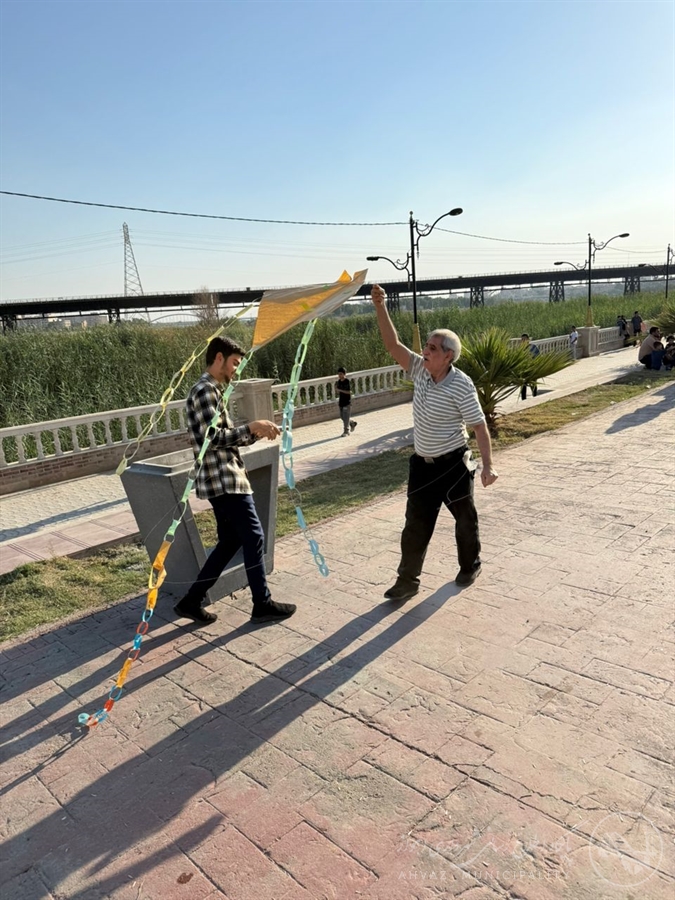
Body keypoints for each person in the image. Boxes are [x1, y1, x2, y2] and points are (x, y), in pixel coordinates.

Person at [371, 284, 498, 600]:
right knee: (415, 525)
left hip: (453, 465)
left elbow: (479, 426)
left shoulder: (461, 385)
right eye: (426, 345)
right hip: (422, 466)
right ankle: (407, 582)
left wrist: (488, 466)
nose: (425, 350)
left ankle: (470, 565)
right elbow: (392, 344)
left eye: (432, 347)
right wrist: (380, 306)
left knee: (465, 520)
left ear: (448, 355)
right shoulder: (419, 370)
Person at [174, 336, 296, 626]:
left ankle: (191, 601)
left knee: (231, 541)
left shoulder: (212, 390)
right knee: (253, 536)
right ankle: (262, 604)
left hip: (222, 479)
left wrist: (255, 433)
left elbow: (224, 439)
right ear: (219, 358)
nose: (236, 370)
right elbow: (213, 438)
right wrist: (251, 426)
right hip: (224, 479)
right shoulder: (205, 390)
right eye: (234, 363)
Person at [335, 367, 357, 437]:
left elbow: (349, 392)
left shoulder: (347, 381)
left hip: (347, 402)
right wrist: (336, 390)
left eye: (341, 374)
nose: (339, 375)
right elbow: (338, 392)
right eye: (339, 374)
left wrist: (340, 390)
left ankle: (346, 431)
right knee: (343, 417)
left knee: (346, 417)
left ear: (344, 374)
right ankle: (352, 423)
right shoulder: (339, 381)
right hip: (341, 401)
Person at [520, 334, 540, 399]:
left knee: (533, 385)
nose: (523, 340)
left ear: (528, 339)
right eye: (522, 339)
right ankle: (523, 400)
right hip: (523, 371)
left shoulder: (533, 347)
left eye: (525, 339)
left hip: (532, 369)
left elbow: (538, 357)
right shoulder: (520, 349)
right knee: (523, 386)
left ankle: (535, 398)